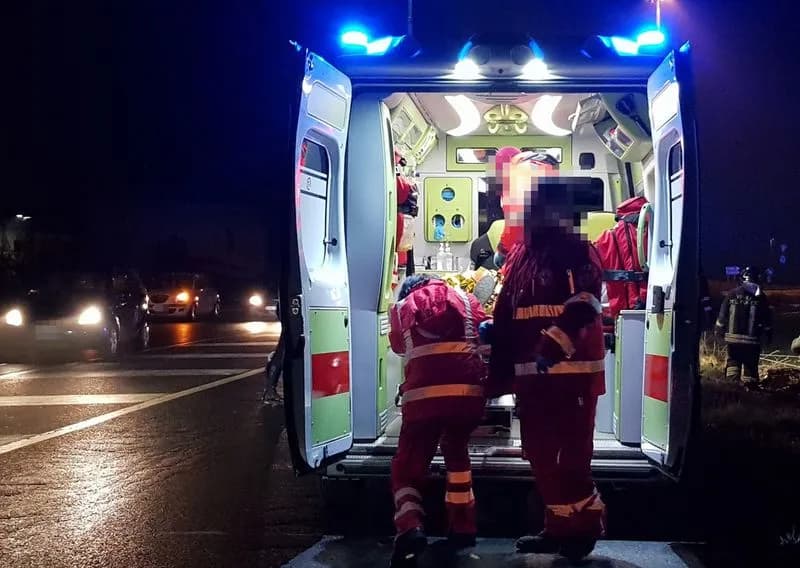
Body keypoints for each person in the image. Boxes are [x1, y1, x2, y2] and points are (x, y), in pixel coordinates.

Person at [484, 149, 607, 562]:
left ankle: (583, 529)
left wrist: (553, 345)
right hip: (534, 378)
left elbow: (587, 301)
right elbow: (506, 313)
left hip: (570, 374)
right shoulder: (521, 256)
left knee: (570, 457)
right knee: (539, 455)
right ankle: (558, 526)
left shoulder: (575, 249)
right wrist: (497, 358)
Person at [387, 274, 489, 566]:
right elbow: (485, 336)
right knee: (457, 457)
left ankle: (410, 526)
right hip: (467, 399)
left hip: (423, 401)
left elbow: (397, 347)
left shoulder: (402, 309)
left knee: (407, 467)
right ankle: (463, 527)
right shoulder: (468, 302)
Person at [715, 266, 772, 388]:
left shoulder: (731, 294)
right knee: (750, 368)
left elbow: (722, 317)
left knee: (733, 364)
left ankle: (731, 390)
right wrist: (768, 336)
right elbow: (767, 320)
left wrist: (718, 333)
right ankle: (750, 394)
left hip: (733, 341)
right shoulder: (761, 298)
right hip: (752, 343)